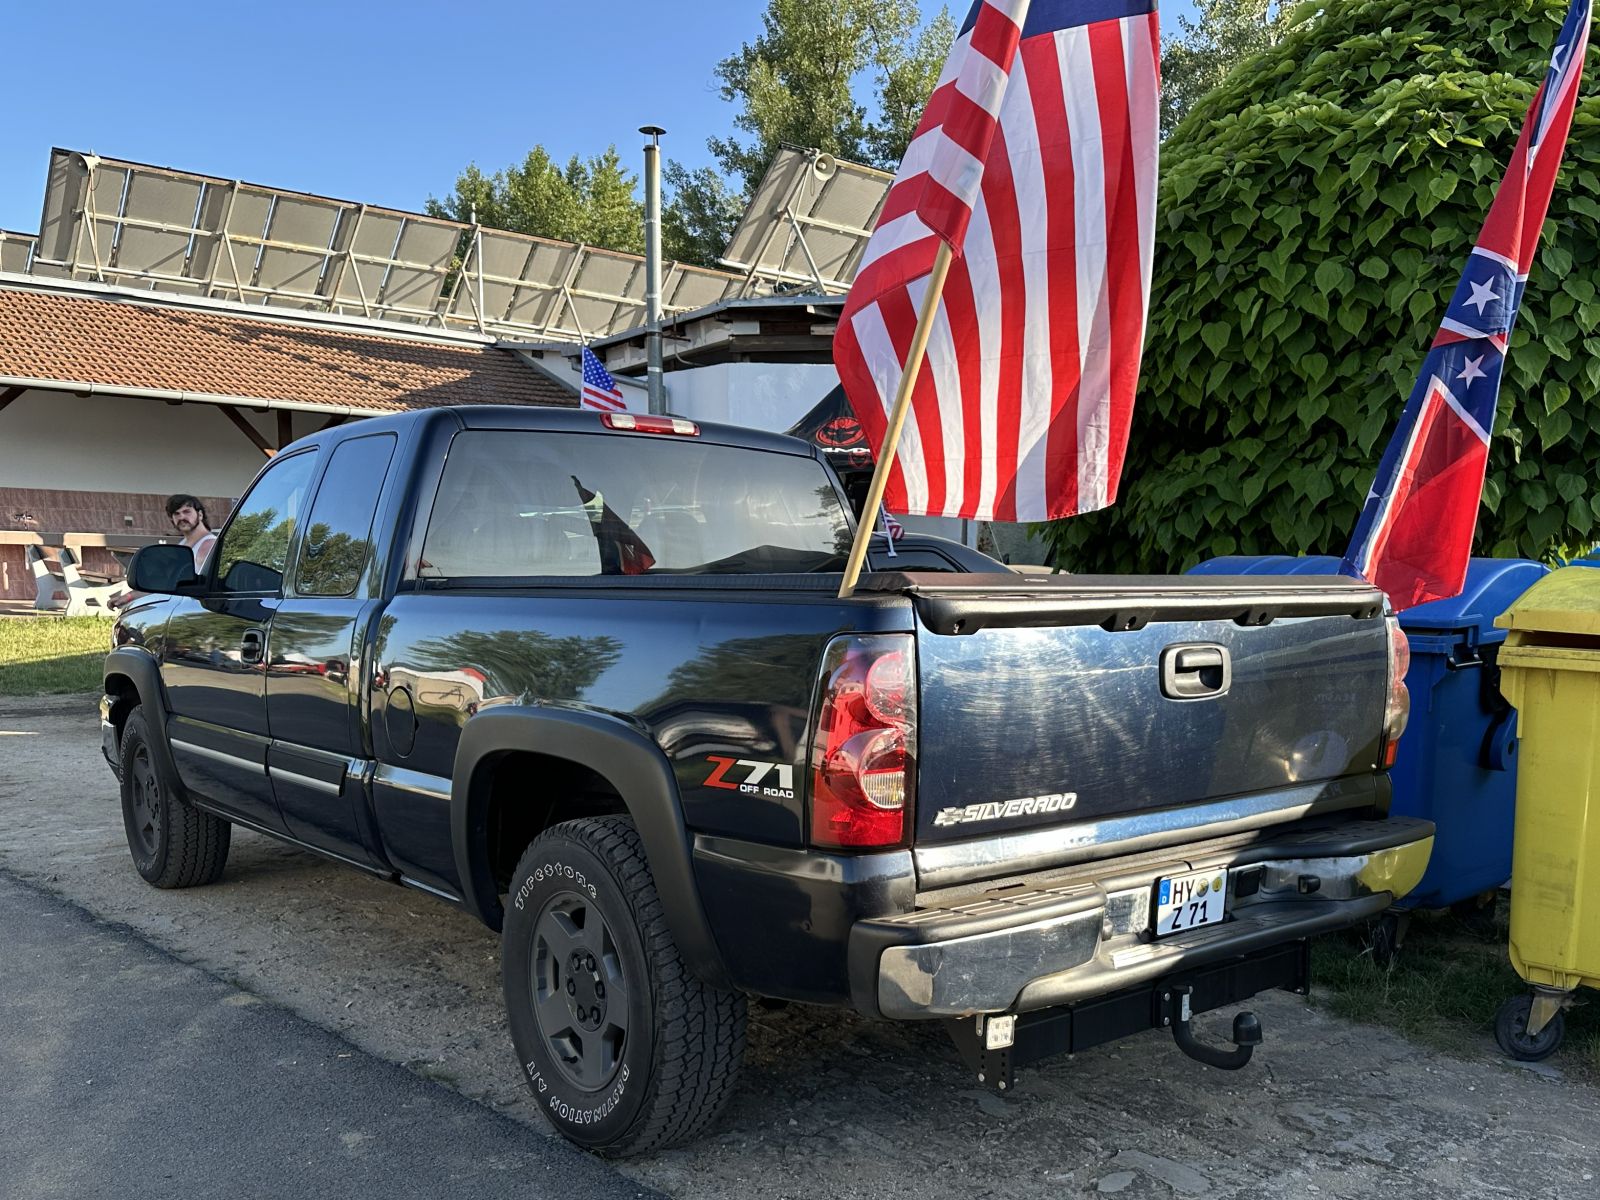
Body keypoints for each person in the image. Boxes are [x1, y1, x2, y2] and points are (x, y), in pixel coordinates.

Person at [109, 494, 218, 609]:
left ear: (200, 515)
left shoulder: (208, 545)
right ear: (172, 519)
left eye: (187, 512)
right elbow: (166, 585)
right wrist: (128, 597)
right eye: (176, 514)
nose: (182, 517)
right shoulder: (183, 545)